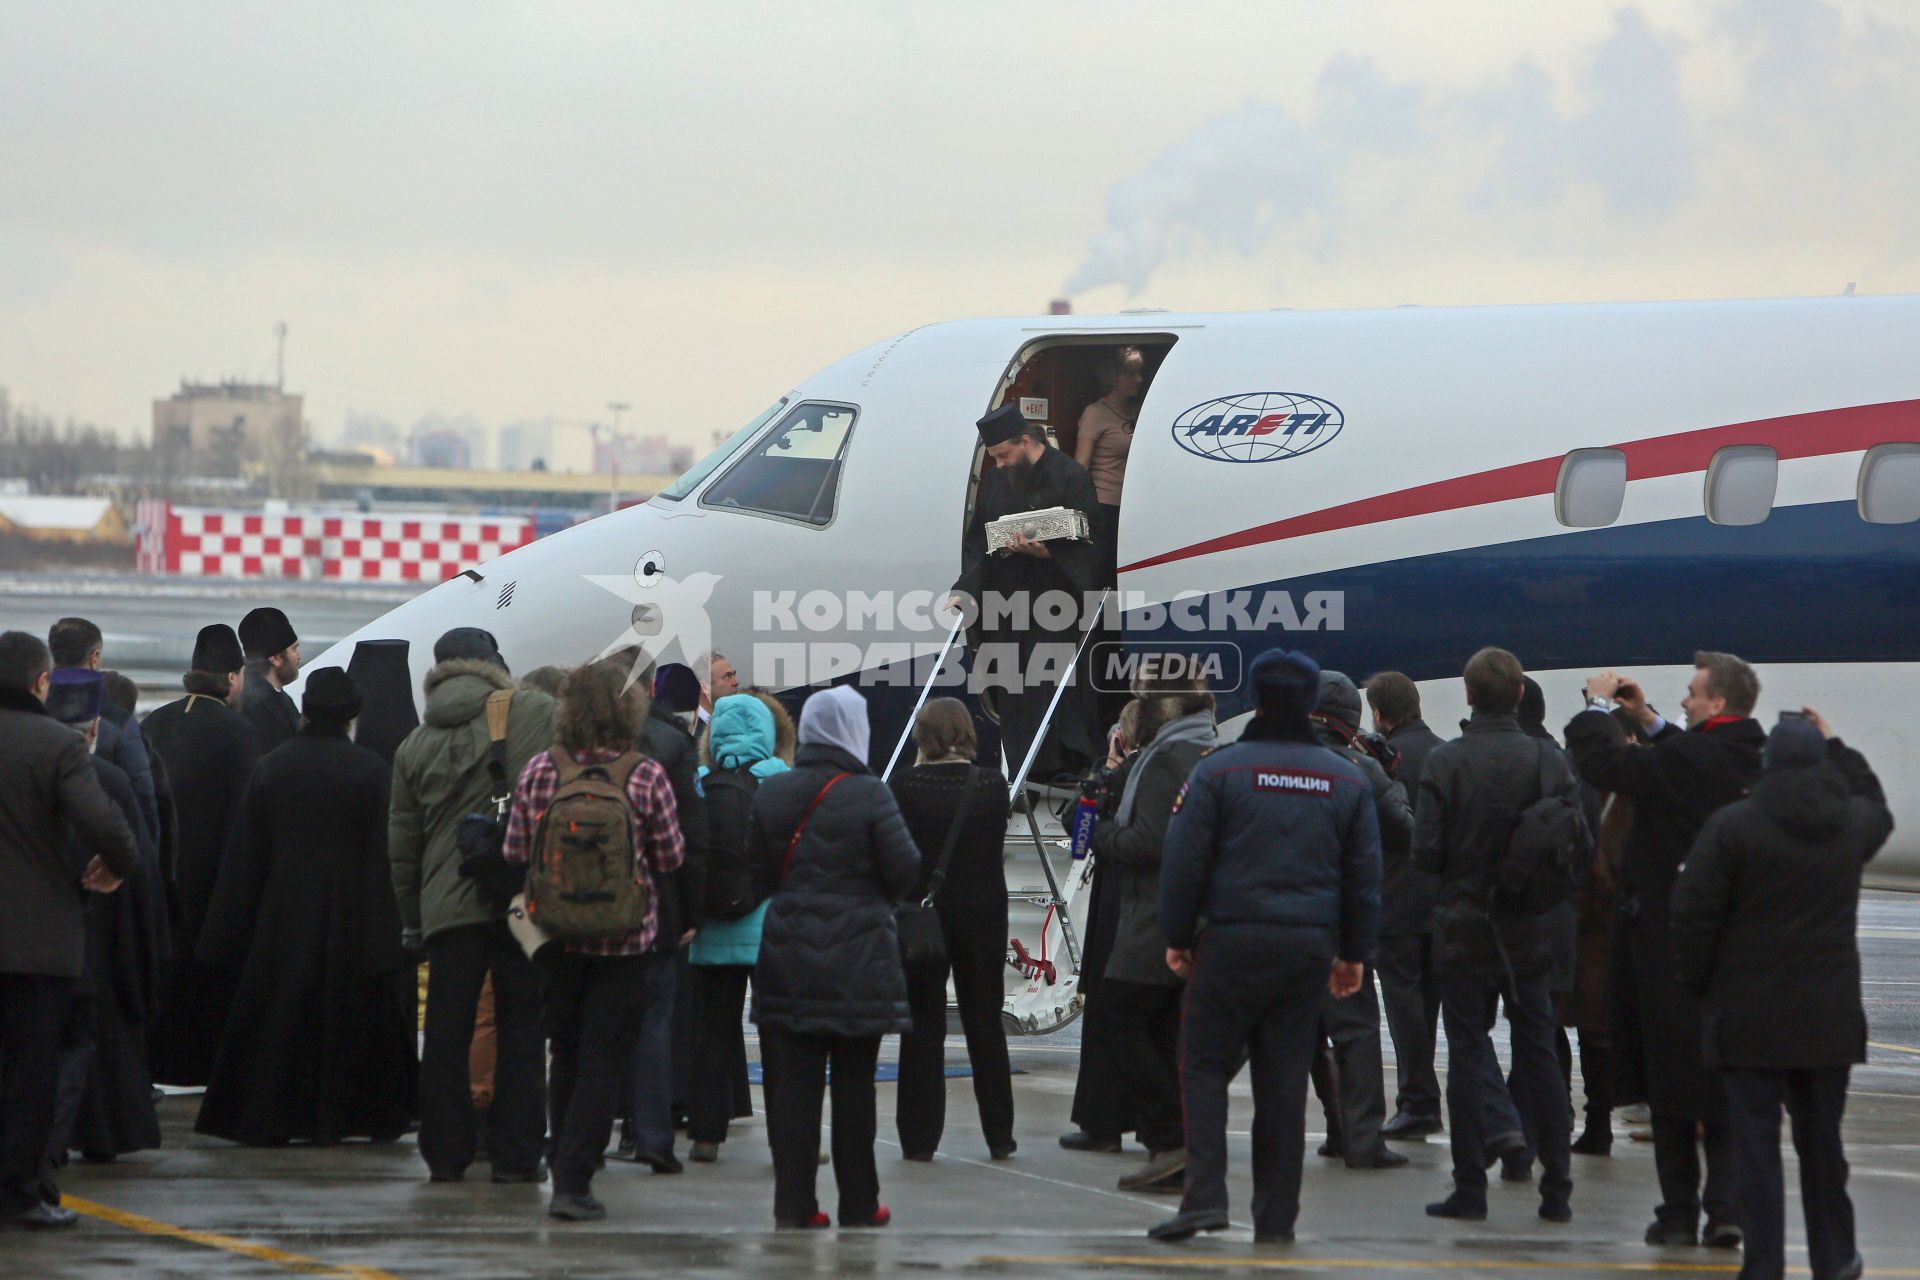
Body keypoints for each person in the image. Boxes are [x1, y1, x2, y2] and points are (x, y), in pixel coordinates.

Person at [1147, 648, 1381, 1244]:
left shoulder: (1219, 770)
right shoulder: (1348, 778)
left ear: (1253, 698)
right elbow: (1363, 877)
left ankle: (1203, 1198)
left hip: (1229, 941)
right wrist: (1353, 953)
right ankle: (1275, 1220)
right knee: (1282, 1084)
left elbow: (1184, 859)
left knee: (1201, 1067)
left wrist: (1177, 936)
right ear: (1310, 703)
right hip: (1306, 950)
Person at [1672, 713, 1888, 1280]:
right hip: (1828, 1019)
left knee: (1756, 1153)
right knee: (1823, 1149)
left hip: (1749, 1019)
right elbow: (1876, 802)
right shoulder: (1849, 826)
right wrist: (1837, 744)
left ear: (1765, 764)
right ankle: (1835, 1259)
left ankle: (1764, 1265)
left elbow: (1692, 915)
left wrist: (1700, 987)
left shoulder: (1732, 827)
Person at [1565, 652, 1765, 1249]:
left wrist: (1598, 705)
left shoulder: (1685, 761)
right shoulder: (1754, 754)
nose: (1683, 702)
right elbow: (1684, 753)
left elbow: (1600, 759)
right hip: (1737, 951)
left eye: (1692, 694)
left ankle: (1679, 1210)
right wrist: (1646, 716)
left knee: (1671, 1084)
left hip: (1670, 946)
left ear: (1717, 704)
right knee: (1725, 1079)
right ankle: (1727, 1207)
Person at [193, 669, 415, 1147]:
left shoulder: (273, 767)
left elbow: (245, 858)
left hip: (283, 917)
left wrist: (224, 934)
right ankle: (349, 1116)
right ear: (352, 715)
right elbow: (388, 854)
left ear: (306, 710)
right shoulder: (372, 770)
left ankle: (274, 1115)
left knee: (279, 1021)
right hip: (355, 921)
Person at [504, 660, 684, 1222]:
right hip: (626, 941)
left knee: (567, 1052)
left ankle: (561, 1156)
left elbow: (513, 851)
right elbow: (671, 856)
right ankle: (574, 1182)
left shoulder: (540, 770)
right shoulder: (644, 774)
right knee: (605, 1059)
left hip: (555, 939)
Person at [1415, 647, 1582, 1226]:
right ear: (1518, 695)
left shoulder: (1446, 761)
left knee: (1467, 1048)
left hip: (1464, 927)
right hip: (1529, 928)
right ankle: (1556, 1190)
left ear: (1467, 695)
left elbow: (1426, 852)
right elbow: (1573, 845)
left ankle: (1471, 1187)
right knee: (1539, 1053)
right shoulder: (1548, 760)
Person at [389, 626, 555, 1184]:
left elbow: (403, 848)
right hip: (517, 900)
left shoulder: (415, 742)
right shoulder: (533, 709)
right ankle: (517, 1154)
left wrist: (413, 920)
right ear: (492, 664)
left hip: (445, 907)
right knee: (522, 1029)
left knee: (446, 1030)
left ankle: (445, 1152)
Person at [750, 685, 919, 1230]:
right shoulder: (871, 794)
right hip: (859, 958)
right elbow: (905, 871)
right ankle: (859, 1202)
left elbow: (755, 873)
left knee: (795, 1088)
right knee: (854, 1089)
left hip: (788, 952)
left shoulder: (773, 791)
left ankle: (793, 1204)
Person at [0, 631, 138, 1230]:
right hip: (37, 943)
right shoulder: (56, 746)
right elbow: (109, 829)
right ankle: (20, 1191)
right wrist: (117, 866)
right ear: (41, 682)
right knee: (30, 1074)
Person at [1092, 678, 1218, 1192]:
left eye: (1146, 701)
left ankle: (1171, 1139)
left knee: (1118, 1020)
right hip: (1184, 915)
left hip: (1151, 916)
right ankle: (1169, 1144)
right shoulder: (1204, 750)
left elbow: (1148, 842)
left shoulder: (1167, 760)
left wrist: (1102, 831)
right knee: (1164, 1032)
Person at [43, 671, 166, 1168]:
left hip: (39, 934)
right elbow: (138, 867)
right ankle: (98, 1135)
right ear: (95, 727)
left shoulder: (27, 769)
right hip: (104, 932)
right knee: (98, 1042)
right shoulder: (111, 782)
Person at [890, 697, 1015, 1162]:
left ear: (922, 737)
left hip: (925, 917)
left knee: (922, 1025)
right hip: (982, 915)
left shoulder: (904, 785)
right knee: (985, 1019)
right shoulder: (992, 786)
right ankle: (999, 1133)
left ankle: (919, 1137)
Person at [950, 405, 1104, 783]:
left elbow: (1093, 542)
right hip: (1008, 601)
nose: (999, 464)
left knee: (1053, 683)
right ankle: (1023, 772)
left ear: (1026, 441)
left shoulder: (1070, 476)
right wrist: (965, 590)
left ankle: (1063, 768)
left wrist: (1049, 551)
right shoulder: (994, 482)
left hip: (1057, 600)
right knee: (1014, 688)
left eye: (1003, 455)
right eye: (994, 458)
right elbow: (978, 542)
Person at [142, 624, 260, 1087]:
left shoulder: (154, 721)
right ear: (233, 678)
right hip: (213, 884)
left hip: (156, 876)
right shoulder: (239, 732)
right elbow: (245, 819)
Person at [1307, 671, 1412, 1171]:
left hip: (1266, 925)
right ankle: (1360, 1139)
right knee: (1355, 1034)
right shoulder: (1359, 769)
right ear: (1352, 721)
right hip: (1335, 924)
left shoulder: (1261, 757)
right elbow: (1407, 832)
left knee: (1285, 1034)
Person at [685, 693, 787, 1162]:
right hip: (770, 929)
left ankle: (706, 1134)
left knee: (712, 1035)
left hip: (711, 930)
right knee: (779, 1038)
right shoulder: (783, 783)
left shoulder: (700, 783)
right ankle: (787, 1134)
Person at [615, 657, 708, 1173]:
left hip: (583, 909)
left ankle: (574, 1138)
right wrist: (690, 908)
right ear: (651, 686)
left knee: (587, 1029)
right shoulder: (672, 744)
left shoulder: (569, 743)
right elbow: (689, 841)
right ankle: (649, 1134)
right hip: (653, 906)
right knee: (653, 1024)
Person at [1364, 671, 1447, 1140]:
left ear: (1379, 713)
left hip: (1394, 906)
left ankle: (1418, 1100)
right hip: (1439, 904)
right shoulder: (1444, 752)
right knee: (1430, 1008)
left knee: (1403, 1008)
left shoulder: (1379, 762)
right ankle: (1422, 1097)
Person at [1061, 698, 1143, 1154]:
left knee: (1108, 1020)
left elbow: (1081, 836)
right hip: (1150, 911)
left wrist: (1106, 773)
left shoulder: (1123, 777)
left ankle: (1102, 1121)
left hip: (1119, 909)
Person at [48, 617, 160, 841]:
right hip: (101, 854)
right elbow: (142, 794)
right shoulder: (117, 720)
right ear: (94, 657)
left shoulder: (30, 712)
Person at [1073, 345, 1143, 586]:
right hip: (1104, 508)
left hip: (1133, 508)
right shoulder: (1095, 414)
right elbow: (1080, 466)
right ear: (1113, 376)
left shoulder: (1140, 411)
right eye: (1131, 373)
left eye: (1139, 373)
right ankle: (1102, 623)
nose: (1138, 379)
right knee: (1105, 574)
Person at [236, 606, 302, 754]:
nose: (298, 656)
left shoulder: (281, 697)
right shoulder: (249, 705)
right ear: (276, 658)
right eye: (294, 649)